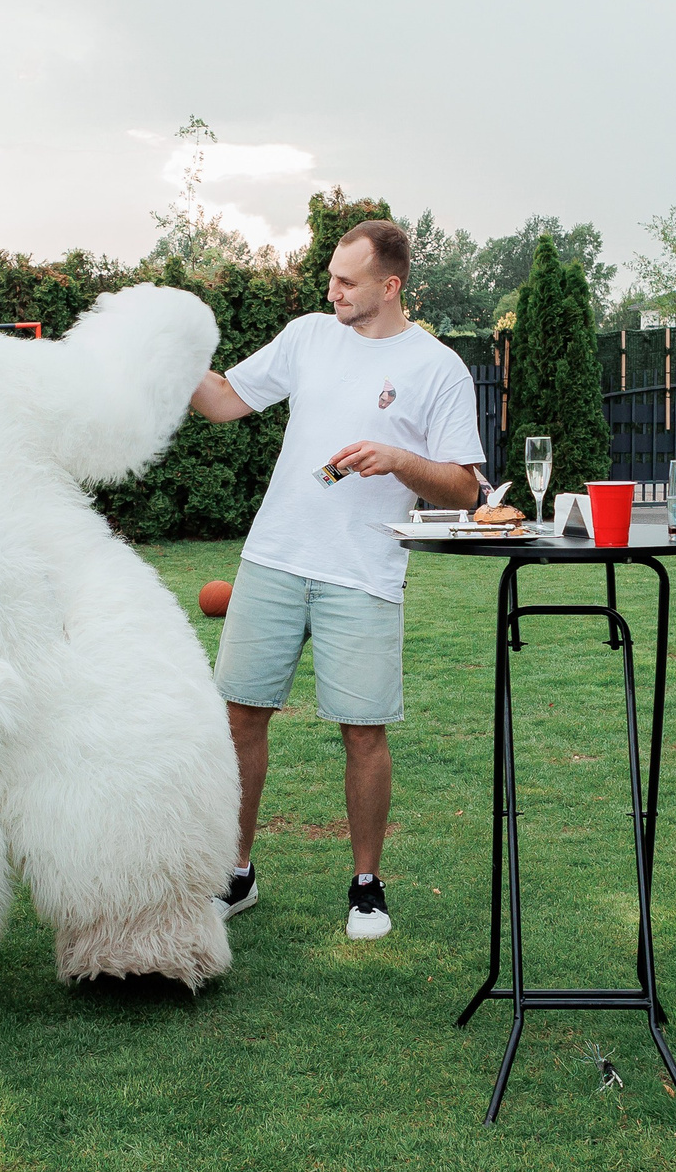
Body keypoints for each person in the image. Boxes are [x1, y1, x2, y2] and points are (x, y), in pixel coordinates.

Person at [188, 219, 484, 937]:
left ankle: (365, 886)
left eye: (346, 282)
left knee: (362, 733)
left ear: (390, 286)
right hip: (275, 558)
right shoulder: (308, 336)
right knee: (239, 718)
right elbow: (224, 401)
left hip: (362, 572)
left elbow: (468, 491)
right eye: (330, 277)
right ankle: (236, 872)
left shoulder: (438, 368)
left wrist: (401, 460)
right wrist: (165, 354)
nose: (332, 292)